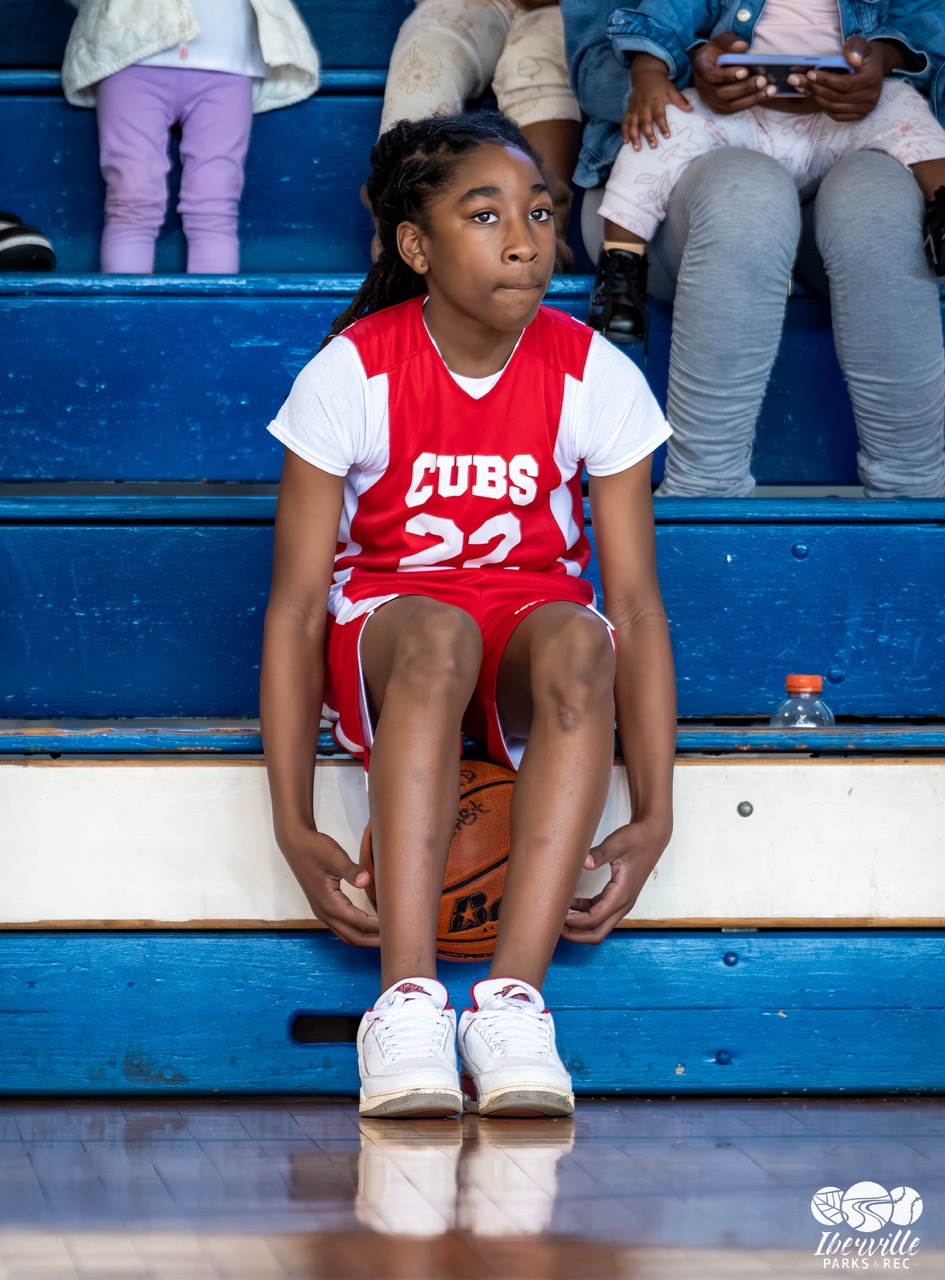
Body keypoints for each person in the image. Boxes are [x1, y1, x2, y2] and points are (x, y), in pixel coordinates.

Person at [260, 113, 676, 1119]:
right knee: (439, 631)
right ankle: (406, 1003)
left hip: (528, 637)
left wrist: (657, 811)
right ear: (416, 245)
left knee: (580, 634)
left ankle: (511, 1005)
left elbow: (632, 604)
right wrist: (293, 821)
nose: (524, 240)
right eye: (484, 215)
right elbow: (298, 605)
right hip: (396, 637)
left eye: (539, 212)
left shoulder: (592, 370)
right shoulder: (354, 370)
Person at [561, 0, 945, 498]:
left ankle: (915, 494)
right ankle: (704, 491)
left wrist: (883, 60)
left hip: (845, 136)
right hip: (708, 158)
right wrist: (696, 68)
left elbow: (928, 33)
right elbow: (598, 73)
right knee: (746, 200)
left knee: (881, 207)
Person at [587, 1, 945, 346]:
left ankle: (941, 213)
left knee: (904, 106)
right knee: (662, 123)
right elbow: (667, 13)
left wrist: (882, 58)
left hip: (838, 120)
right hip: (740, 115)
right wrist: (650, 74)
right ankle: (621, 275)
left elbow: (922, 25)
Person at [60, 0, 320, 273]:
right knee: (135, 204)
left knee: (209, 209)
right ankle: (126, 301)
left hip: (220, 57)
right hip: (131, 52)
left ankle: (205, 305)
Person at [377, 0, 582, 270]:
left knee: (540, 64)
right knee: (426, 54)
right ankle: (405, 217)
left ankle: (541, 234)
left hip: (565, 9)